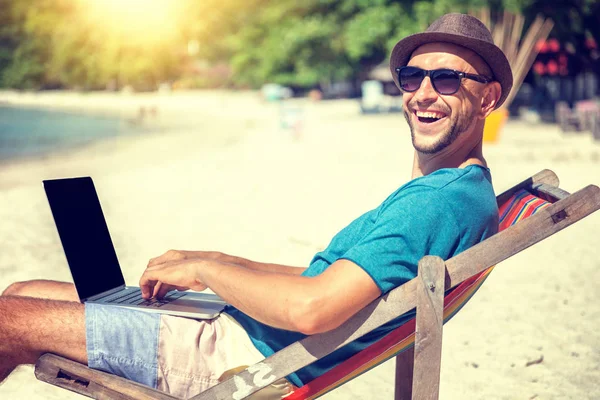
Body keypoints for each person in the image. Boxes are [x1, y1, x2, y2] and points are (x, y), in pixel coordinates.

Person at [0, 13, 512, 398]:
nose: (423, 93)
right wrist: (218, 263)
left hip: (234, 357)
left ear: (487, 99)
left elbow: (312, 308)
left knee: (6, 318)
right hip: (232, 323)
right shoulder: (456, 193)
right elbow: (324, 280)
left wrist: (204, 269)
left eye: (447, 80)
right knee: (22, 291)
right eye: (412, 77)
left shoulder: (438, 204)